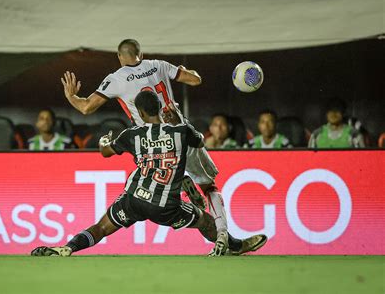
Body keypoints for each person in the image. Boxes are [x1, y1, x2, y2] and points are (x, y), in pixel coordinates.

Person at [59, 39, 252, 255]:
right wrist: (186, 70)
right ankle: (222, 231)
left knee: (151, 176)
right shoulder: (158, 65)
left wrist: (71, 96)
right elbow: (195, 79)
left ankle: (181, 182)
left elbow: (86, 107)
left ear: (120, 57)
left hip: (150, 145)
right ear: (140, 54)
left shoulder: (115, 79)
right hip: (181, 133)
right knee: (208, 186)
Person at [31, 91, 267, 257]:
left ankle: (69, 247)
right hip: (166, 207)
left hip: (134, 199)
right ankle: (232, 245)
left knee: (101, 227)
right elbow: (200, 140)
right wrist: (179, 122)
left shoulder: (131, 135)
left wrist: (104, 141)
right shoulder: (181, 131)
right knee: (204, 220)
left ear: (142, 113)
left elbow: (105, 152)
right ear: (159, 110)